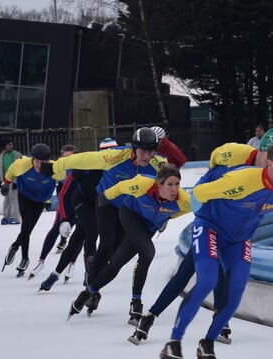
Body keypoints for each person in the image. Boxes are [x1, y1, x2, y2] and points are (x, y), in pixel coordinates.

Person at [154, 140, 273, 359]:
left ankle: (207, 342)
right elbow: (199, 192)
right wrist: (206, 218)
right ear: (270, 164)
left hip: (238, 240)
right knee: (208, 280)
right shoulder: (241, 180)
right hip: (210, 228)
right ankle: (173, 343)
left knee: (237, 290)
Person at [130, 140, 268, 343]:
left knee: (195, 273)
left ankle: (151, 317)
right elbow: (199, 193)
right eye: (268, 157)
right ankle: (151, 317)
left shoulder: (263, 178)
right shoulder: (230, 169)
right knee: (196, 274)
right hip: (209, 226)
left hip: (228, 231)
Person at [39, 127, 173, 315]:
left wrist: (164, 215)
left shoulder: (160, 164)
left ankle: (91, 283)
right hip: (106, 202)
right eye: (143, 150)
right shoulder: (115, 156)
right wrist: (53, 167)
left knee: (116, 252)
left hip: (129, 208)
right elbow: (80, 159)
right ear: (134, 148)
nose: (147, 156)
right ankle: (92, 291)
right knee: (107, 244)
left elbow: (171, 188)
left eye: (151, 151)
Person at [68, 163, 191, 320]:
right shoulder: (142, 184)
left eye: (177, 184)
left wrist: (166, 217)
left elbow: (193, 208)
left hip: (149, 227)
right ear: (158, 184)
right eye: (169, 184)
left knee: (116, 263)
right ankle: (136, 302)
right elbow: (120, 187)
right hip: (130, 215)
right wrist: (105, 197)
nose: (174, 189)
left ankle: (87, 293)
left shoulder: (183, 200)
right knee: (148, 252)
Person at [38, 138, 119, 292]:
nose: (109, 156)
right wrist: (64, 219)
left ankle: (55, 274)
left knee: (77, 238)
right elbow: (64, 194)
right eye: (105, 153)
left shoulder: (121, 169)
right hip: (81, 201)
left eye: (113, 152)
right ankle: (90, 272)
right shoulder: (87, 165)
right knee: (92, 231)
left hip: (98, 205)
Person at [1, 144, 64, 277]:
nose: (38, 165)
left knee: (29, 228)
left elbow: (65, 180)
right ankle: (25, 259)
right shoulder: (22, 164)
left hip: (40, 199)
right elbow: (10, 173)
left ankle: (14, 246)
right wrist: (6, 184)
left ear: (48, 161)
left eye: (42, 162)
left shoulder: (55, 168)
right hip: (25, 195)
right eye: (36, 161)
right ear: (32, 158)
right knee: (26, 225)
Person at [27, 145, 77, 279]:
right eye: (65, 157)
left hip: (79, 202)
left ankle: (72, 263)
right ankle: (41, 261)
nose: (68, 160)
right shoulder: (59, 168)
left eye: (70, 157)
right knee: (55, 228)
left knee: (80, 233)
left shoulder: (81, 168)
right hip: (65, 201)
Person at [0, 139, 22, 225]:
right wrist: (0, 180)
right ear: (4, 146)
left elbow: (19, 168)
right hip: (6, 181)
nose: (11, 146)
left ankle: (15, 218)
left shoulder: (16, 154)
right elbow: (1, 168)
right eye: (9, 145)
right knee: (6, 199)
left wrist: (16, 181)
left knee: (14, 199)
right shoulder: (2, 155)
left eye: (12, 144)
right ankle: (6, 217)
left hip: (14, 180)